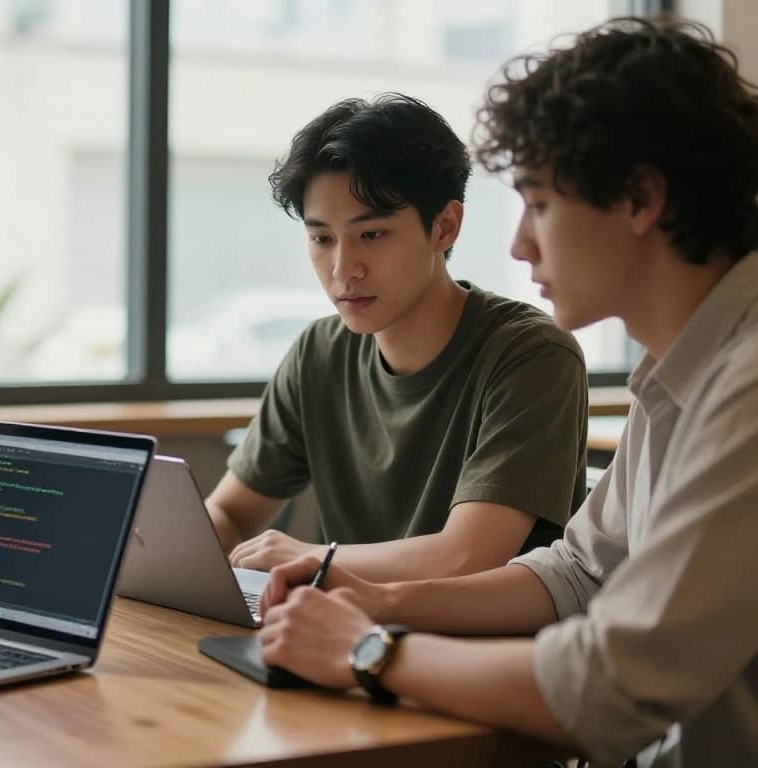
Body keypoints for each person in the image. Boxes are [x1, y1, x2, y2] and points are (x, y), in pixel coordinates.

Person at [257, 17, 758, 767]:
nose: (520, 243)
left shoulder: (746, 383)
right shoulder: (679, 371)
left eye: (541, 204)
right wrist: (376, 601)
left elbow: (610, 684)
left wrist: (367, 650)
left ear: (640, 198)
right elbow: (578, 571)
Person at [208, 93, 588, 580]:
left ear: (445, 227)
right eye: (322, 239)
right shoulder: (319, 353)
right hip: (333, 631)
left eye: (372, 235)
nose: (344, 270)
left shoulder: (531, 355)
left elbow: (469, 557)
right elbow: (232, 514)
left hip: (475, 649)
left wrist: (312, 559)